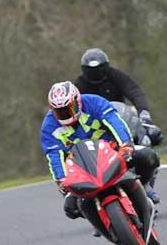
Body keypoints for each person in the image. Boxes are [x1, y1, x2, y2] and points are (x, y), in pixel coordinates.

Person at [40, 81, 160, 222]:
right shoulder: (49, 126)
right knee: (70, 208)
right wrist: (61, 180)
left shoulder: (93, 102)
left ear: (77, 101)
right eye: (59, 111)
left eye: (69, 108)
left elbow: (115, 122)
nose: (65, 114)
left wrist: (126, 145)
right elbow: (54, 155)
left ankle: (143, 185)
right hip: (82, 167)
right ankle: (101, 219)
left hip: (113, 151)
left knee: (148, 157)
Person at [75, 48, 163, 202]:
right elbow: (74, 106)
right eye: (91, 70)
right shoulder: (79, 85)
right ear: (85, 70)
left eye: (100, 69)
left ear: (106, 66)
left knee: (149, 136)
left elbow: (134, 90)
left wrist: (144, 114)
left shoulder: (114, 75)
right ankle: (88, 196)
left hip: (120, 118)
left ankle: (146, 183)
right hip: (94, 128)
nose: (96, 73)